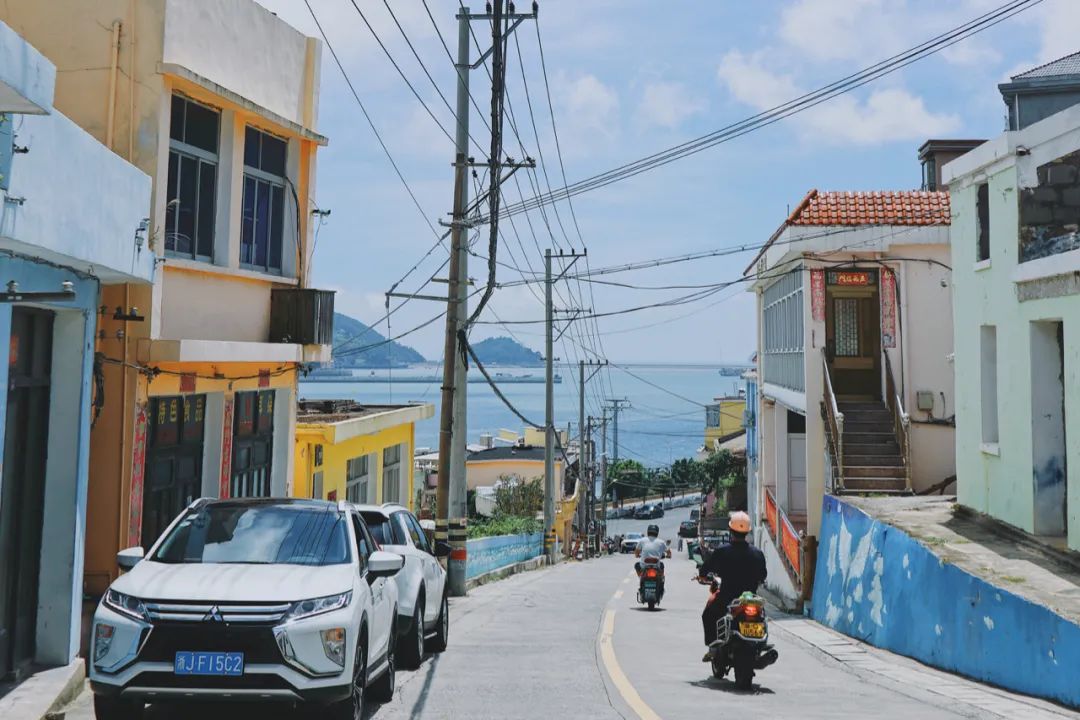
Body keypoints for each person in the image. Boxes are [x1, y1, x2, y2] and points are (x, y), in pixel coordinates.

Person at [696, 511, 766, 661]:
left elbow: (705, 568)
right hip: (749, 599)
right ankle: (760, 645)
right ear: (747, 532)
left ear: (730, 530)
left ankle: (713, 646)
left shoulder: (722, 551)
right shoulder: (757, 553)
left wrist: (702, 575)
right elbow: (763, 576)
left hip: (727, 597)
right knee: (761, 616)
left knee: (708, 614)